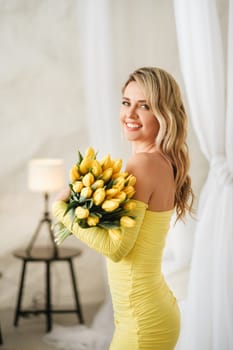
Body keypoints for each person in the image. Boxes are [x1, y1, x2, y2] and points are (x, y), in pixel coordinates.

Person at [52, 66, 194, 350]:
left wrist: (62, 209)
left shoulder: (143, 164)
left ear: (164, 114)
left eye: (144, 106)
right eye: (126, 102)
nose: (130, 115)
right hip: (147, 311)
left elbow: (117, 249)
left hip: (142, 320)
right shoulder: (159, 161)